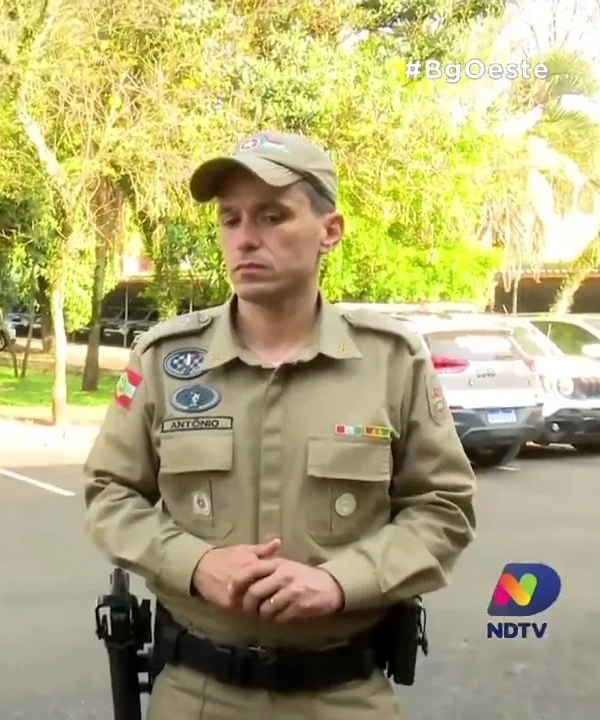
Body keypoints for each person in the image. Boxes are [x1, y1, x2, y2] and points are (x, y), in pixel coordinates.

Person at [82, 131, 476, 718]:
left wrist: (342, 582)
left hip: (344, 693)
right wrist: (196, 565)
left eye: (272, 215)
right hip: (197, 694)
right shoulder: (164, 360)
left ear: (329, 232)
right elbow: (108, 495)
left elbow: (443, 508)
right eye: (231, 218)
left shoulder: (392, 361)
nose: (246, 238)